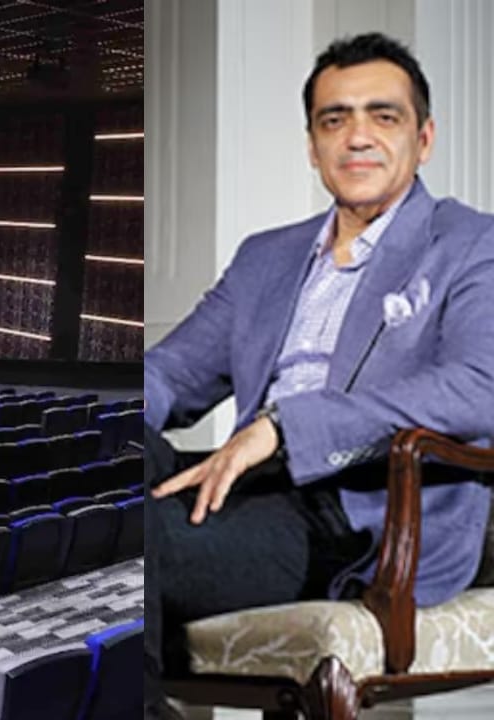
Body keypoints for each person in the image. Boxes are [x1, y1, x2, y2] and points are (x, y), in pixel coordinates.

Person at [143, 32, 494, 719]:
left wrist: (283, 427)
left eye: (383, 116)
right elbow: (172, 372)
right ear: (312, 145)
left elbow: (481, 386)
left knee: (134, 537)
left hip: (358, 511)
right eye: (335, 120)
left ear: (423, 139)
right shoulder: (265, 257)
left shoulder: (470, 243)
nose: (357, 137)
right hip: (241, 488)